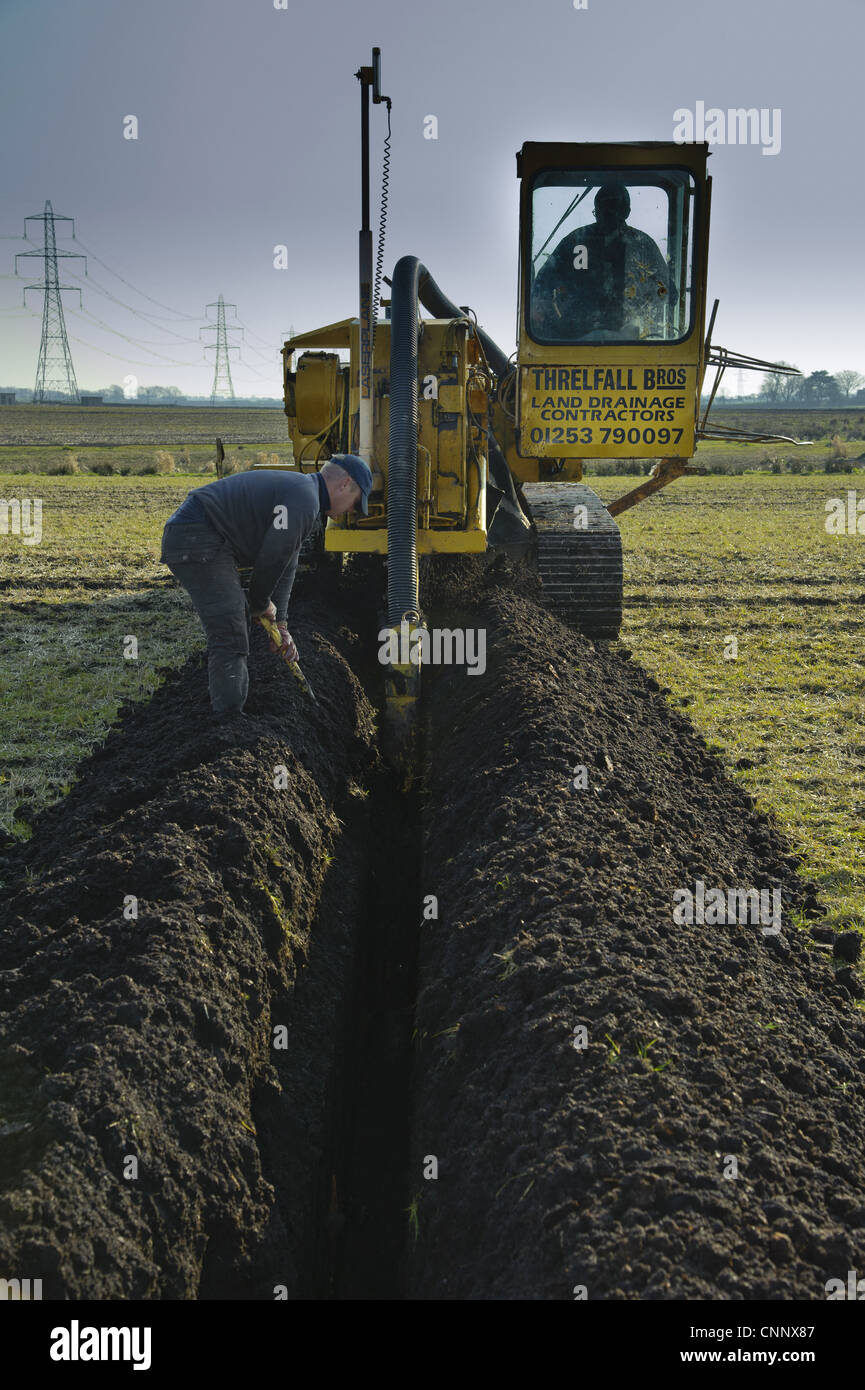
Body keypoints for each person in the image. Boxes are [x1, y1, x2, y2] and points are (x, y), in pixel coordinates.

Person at [160, 454, 372, 719]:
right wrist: (260, 604)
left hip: (204, 535)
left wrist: (280, 623)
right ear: (344, 483)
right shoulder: (305, 498)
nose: (352, 510)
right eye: (355, 502)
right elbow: (272, 558)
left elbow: (286, 562)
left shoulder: (305, 496)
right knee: (230, 626)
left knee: (235, 620)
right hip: (196, 534)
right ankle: (229, 719)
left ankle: (230, 710)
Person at [531, 183, 675, 342]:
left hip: (629, 344)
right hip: (575, 342)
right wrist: (552, 325)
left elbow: (667, 291)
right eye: (602, 209)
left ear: (626, 212)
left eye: (612, 208)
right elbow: (541, 287)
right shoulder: (575, 242)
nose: (606, 214)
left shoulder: (642, 246)